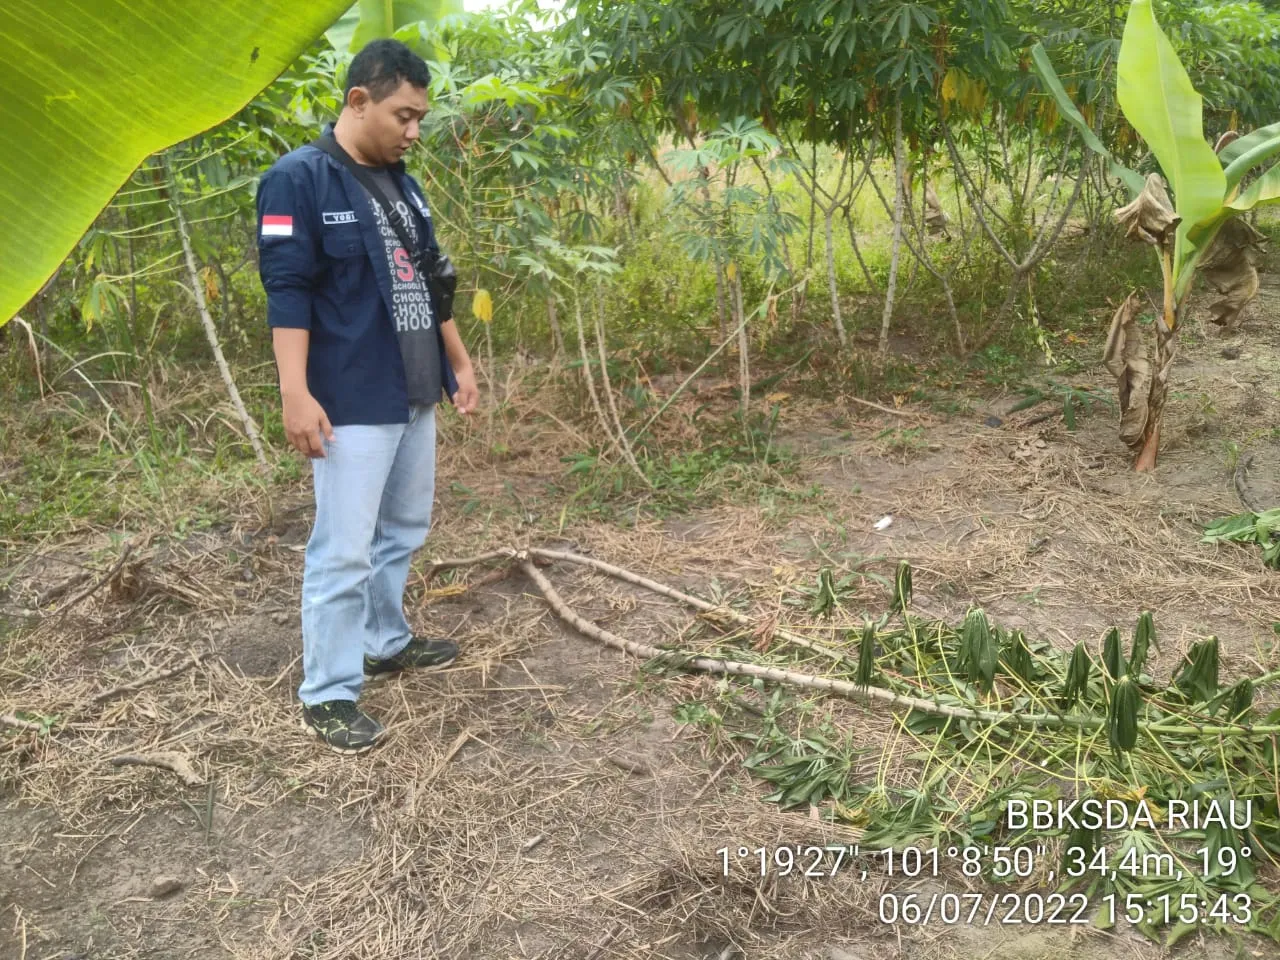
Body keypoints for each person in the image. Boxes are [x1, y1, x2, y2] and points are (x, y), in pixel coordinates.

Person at [256, 38, 479, 754]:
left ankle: (386, 641)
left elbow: (432, 281)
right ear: (359, 101)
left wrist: (460, 363)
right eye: (403, 115)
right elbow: (286, 292)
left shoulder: (403, 183)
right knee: (343, 550)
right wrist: (295, 392)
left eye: (420, 118)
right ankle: (328, 692)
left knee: (403, 532)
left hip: (414, 390)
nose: (414, 132)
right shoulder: (298, 180)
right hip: (351, 397)